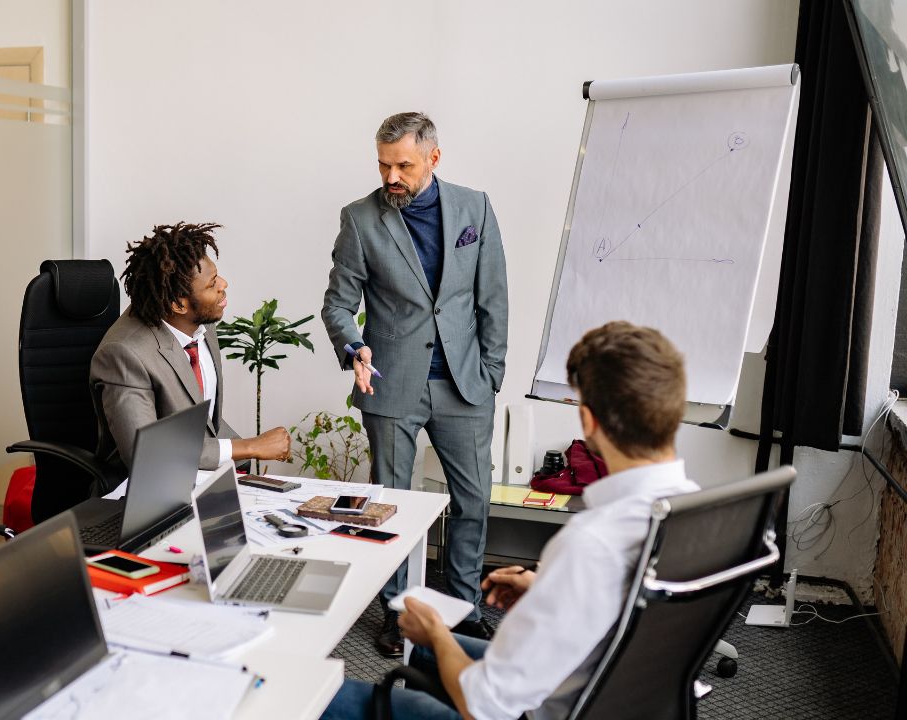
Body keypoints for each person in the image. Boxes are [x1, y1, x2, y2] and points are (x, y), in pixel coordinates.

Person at [321, 321, 700, 720]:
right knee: (429, 654)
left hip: (539, 707)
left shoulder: (590, 541)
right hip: (617, 691)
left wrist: (435, 631)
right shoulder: (699, 513)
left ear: (588, 421)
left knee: (319, 691)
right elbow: (636, 609)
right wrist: (551, 591)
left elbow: (482, 706)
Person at [322, 112, 508, 656]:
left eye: (403, 165)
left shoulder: (475, 208)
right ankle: (399, 612)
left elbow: (493, 297)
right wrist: (353, 347)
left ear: (434, 157)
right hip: (391, 384)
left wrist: (492, 372)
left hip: (465, 383)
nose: (391, 177)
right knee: (393, 505)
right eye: (384, 165)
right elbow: (338, 304)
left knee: (472, 501)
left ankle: (464, 609)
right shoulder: (360, 219)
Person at [92, 221, 291, 470]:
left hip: (202, 475)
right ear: (178, 304)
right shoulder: (125, 354)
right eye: (212, 283)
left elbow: (207, 424)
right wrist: (250, 447)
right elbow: (146, 453)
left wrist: (241, 465)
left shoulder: (200, 322)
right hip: (149, 484)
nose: (224, 285)